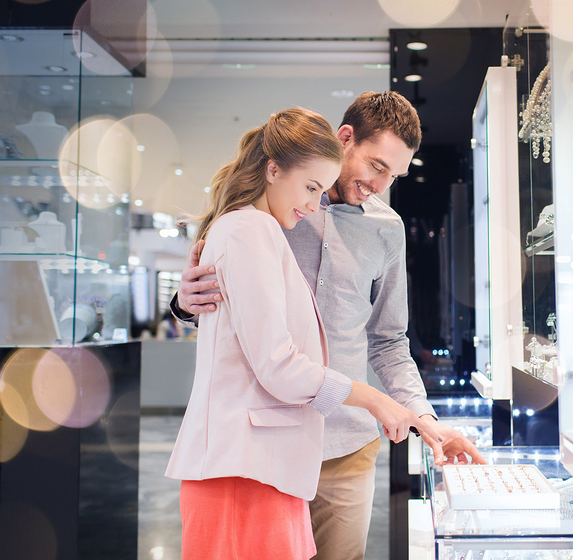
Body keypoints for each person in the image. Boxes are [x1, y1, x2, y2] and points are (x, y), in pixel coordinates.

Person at [171, 91, 484, 560]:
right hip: (266, 442)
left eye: (394, 176)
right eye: (377, 166)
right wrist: (182, 303)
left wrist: (424, 418)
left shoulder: (387, 228)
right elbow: (226, 307)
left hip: (346, 442)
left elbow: (389, 340)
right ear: (345, 138)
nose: (381, 184)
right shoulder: (268, 211)